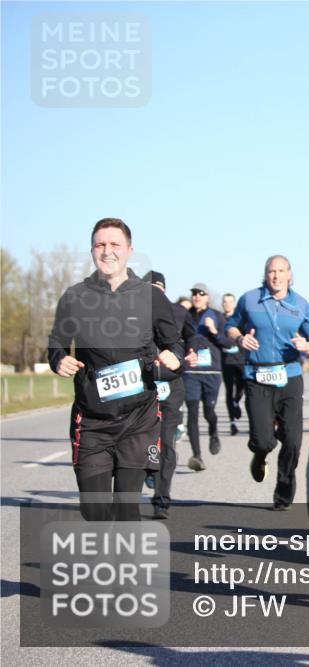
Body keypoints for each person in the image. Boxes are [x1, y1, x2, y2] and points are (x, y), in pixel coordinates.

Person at [48, 218, 182, 521]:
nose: (107, 251)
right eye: (100, 245)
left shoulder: (151, 297)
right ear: (92, 251)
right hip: (92, 422)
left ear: (129, 250)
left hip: (138, 419)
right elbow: (56, 341)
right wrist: (58, 359)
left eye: (114, 244)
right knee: (94, 511)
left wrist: (173, 359)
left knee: (126, 509)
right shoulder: (74, 297)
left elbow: (174, 345)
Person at [226, 255, 309, 510]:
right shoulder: (249, 299)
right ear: (265, 275)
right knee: (263, 441)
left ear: (290, 275)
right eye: (271, 271)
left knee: (292, 441)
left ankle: (284, 490)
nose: (276, 276)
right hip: (257, 377)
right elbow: (231, 326)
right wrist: (239, 339)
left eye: (281, 271)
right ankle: (260, 455)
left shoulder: (301, 304)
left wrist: (308, 346)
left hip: (290, 377)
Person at [143, 271, 197, 520]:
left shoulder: (178, 312)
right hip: (142, 386)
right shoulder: (132, 314)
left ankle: (161, 499)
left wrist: (191, 352)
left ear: (165, 290)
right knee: (142, 441)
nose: (155, 294)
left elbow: (191, 335)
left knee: (166, 442)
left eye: (159, 289)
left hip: (171, 384)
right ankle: (148, 470)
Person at [183, 283, 229, 470]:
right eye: (194, 293)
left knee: (209, 412)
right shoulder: (185, 316)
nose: (197, 296)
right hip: (191, 371)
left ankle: (213, 431)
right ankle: (197, 456)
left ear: (208, 297)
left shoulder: (216, 316)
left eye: (201, 293)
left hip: (211, 372)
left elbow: (228, 342)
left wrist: (214, 331)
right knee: (192, 413)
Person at [221, 292, 246, 435]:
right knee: (229, 391)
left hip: (241, 360)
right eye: (225, 301)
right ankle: (232, 423)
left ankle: (237, 401)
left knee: (241, 388)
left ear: (234, 304)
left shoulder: (240, 319)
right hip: (226, 361)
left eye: (230, 301)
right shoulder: (219, 318)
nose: (227, 304)